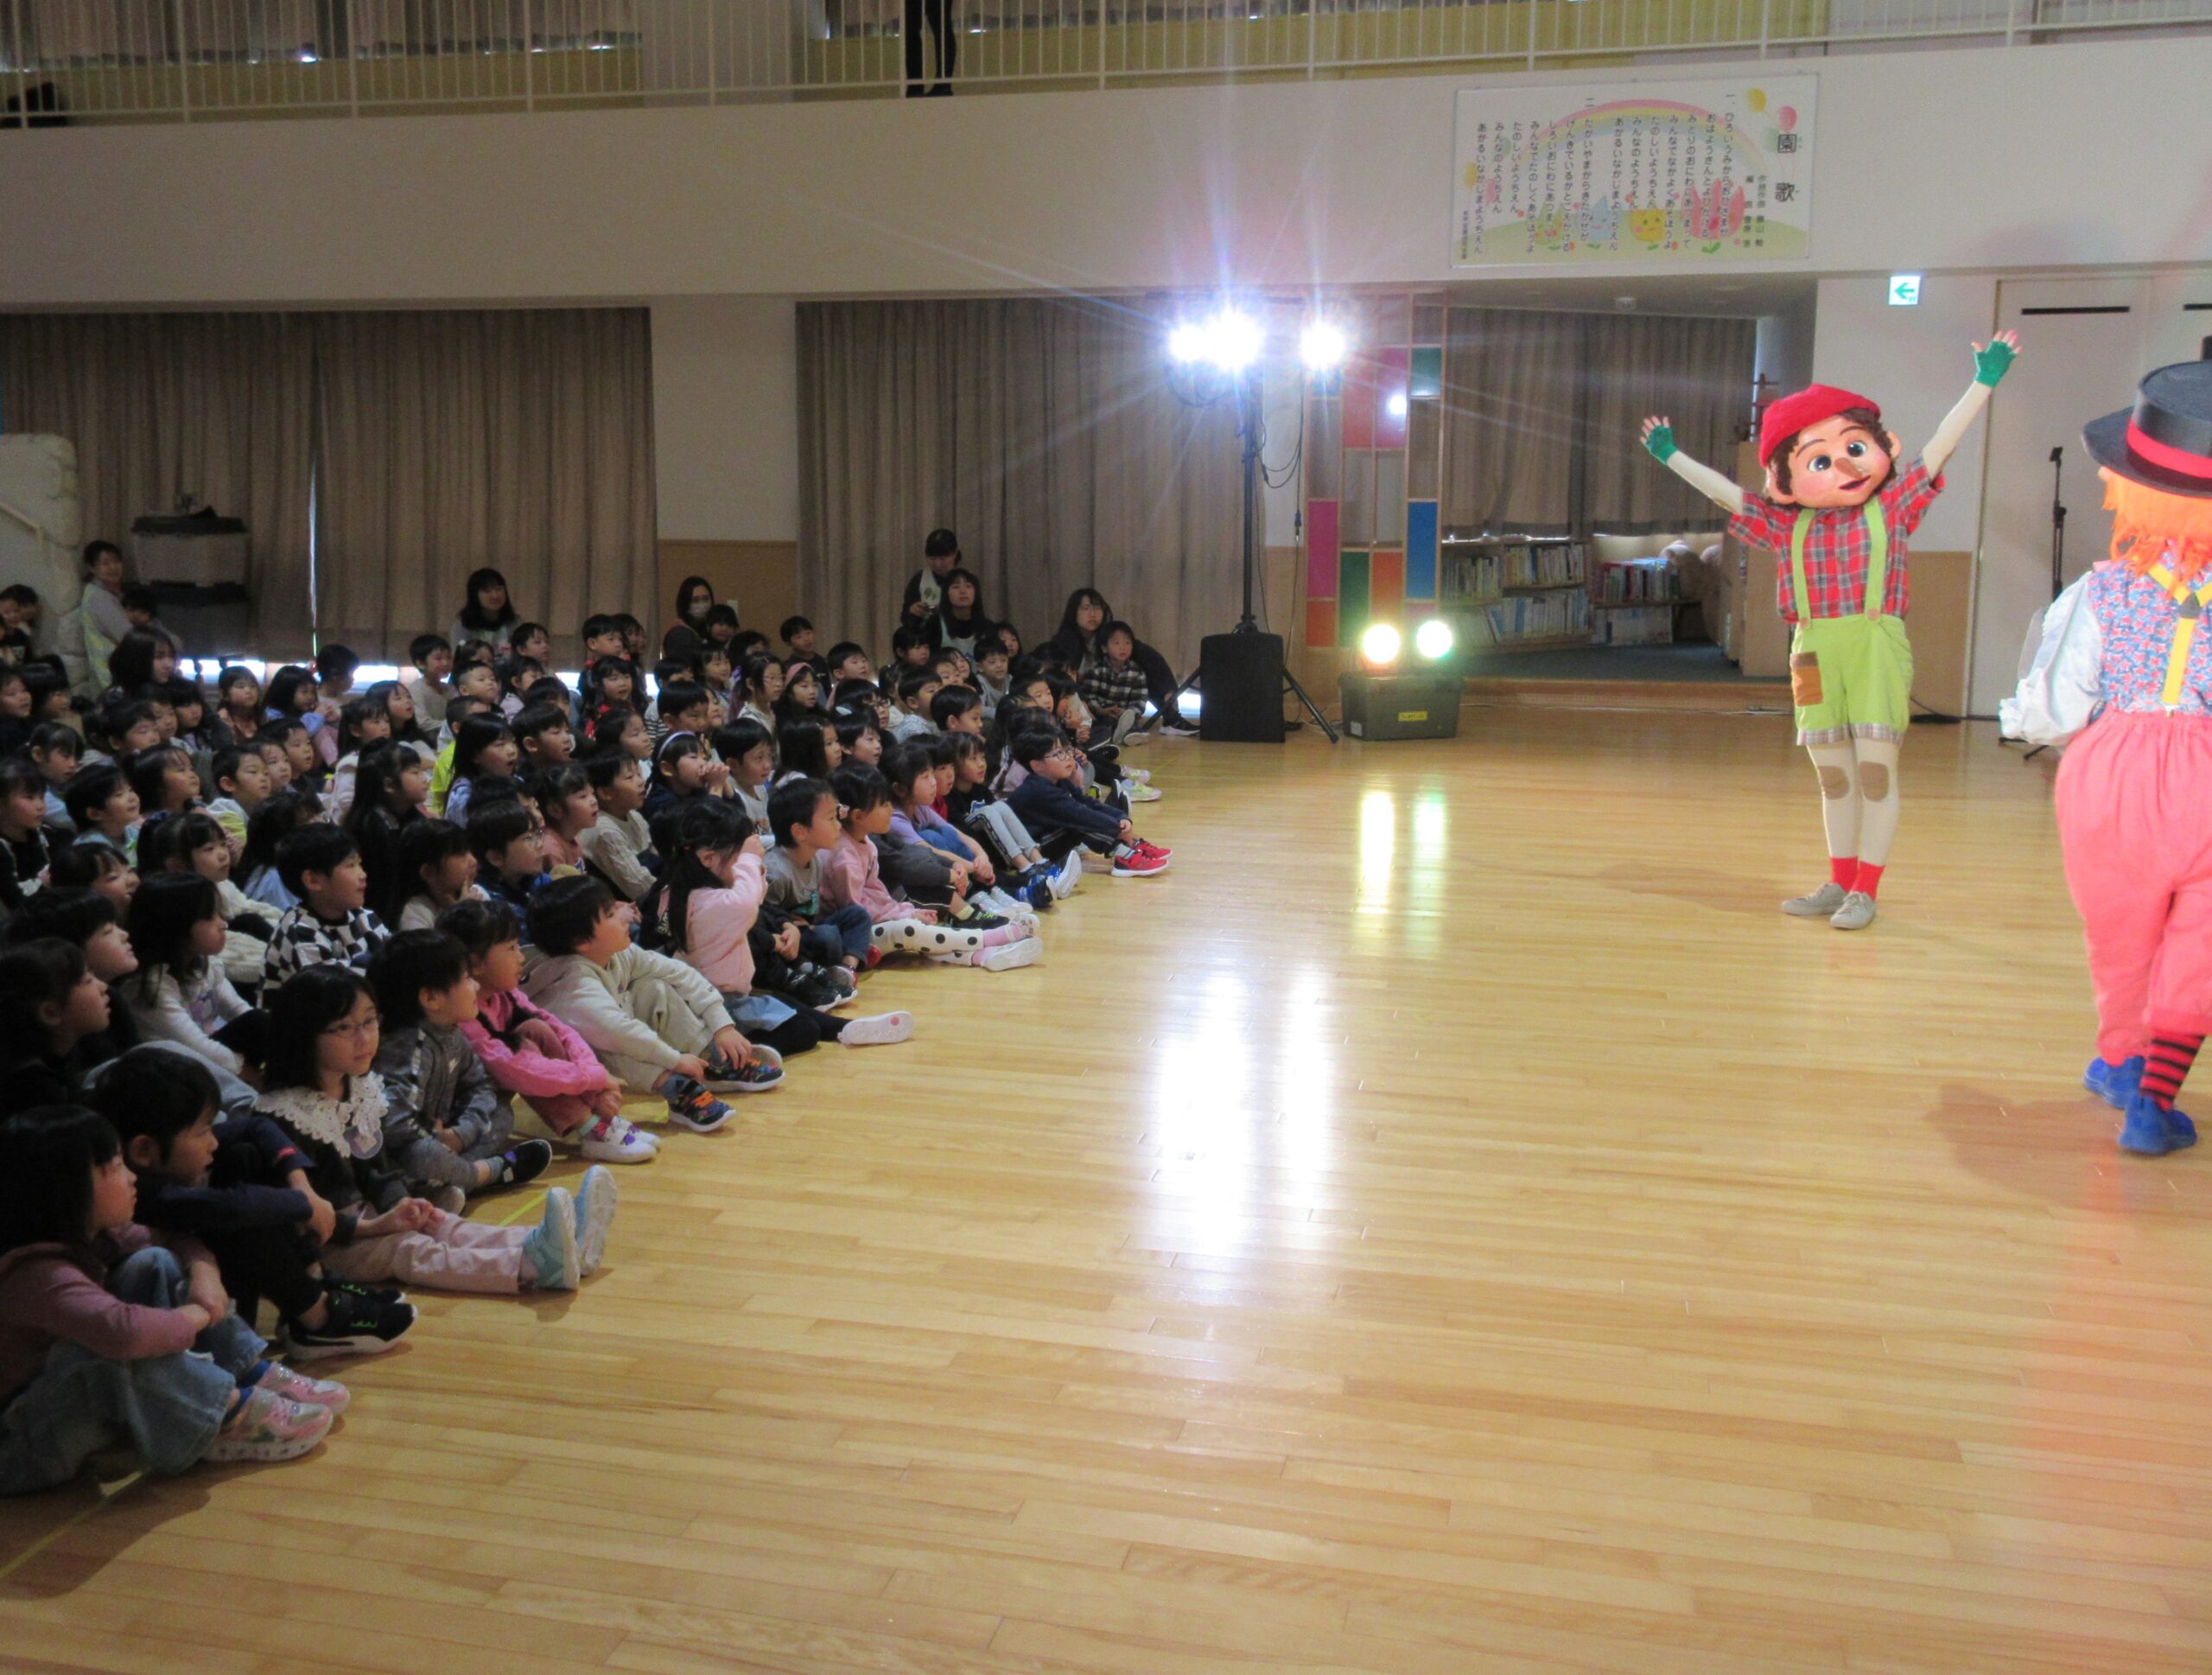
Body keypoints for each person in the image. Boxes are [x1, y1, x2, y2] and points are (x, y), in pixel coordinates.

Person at [1642, 330, 2020, 931]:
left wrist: (1983, 382)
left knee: (1875, 772)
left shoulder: (1892, 506)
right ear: (1784, 478)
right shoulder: (1782, 524)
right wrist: (1672, 456)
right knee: (1834, 776)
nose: (1843, 466)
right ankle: (1839, 881)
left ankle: (1866, 890)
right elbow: (1729, 495)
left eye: (1855, 448)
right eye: (1818, 460)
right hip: (1811, 652)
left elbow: (1940, 448)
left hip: (1874, 648)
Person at [2004, 360, 2212, 1156]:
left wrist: (2032, 726)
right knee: (2200, 947)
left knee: (2120, 934)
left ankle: (2122, 1062)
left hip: (2116, 774)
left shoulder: (2099, 592)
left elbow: (2054, 707)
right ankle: (2154, 1103)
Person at [0, 1103, 346, 1493]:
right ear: (65, 1191)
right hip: (17, 1449)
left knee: (153, 1262)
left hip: (52, 1408)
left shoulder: (92, 1234)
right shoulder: (37, 1275)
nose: (133, 1178)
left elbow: (170, 1237)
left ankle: (246, 1372)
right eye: (116, 1167)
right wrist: (198, 1314)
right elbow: (126, 1334)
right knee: (107, 1356)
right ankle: (223, 1414)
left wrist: (203, 1272)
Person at [253, 965, 599, 1296]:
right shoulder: (285, 1115)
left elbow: (376, 1168)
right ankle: (530, 1266)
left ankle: (557, 1243)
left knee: (438, 1222)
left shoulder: (360, 1091)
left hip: (371, 1217)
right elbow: (303, 1220)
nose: (365, 1038)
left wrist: (400, 1204)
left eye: (370, 1021)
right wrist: (378, 1226)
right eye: (345, 1027)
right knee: (408, 1248)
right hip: (326, 1245)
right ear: (303, 1033)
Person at [87, 1052, 414, 1361]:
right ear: (144, 1150)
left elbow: (257, 1128)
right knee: (237, 1212)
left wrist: (301, 1185)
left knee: (243, 1155)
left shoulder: (156, 1161)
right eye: (203, 1131)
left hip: (217, 1292)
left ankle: (313, 1284)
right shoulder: (142, 1194)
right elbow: (233, 1207)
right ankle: (317, 1317)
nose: (213, 1141)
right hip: (184, 1318)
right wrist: (302, 1204)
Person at [647, 799, 913, 1059]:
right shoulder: (712, 902)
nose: (744, 866)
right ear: (708, 858)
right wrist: (750, 859)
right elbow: (747, 902)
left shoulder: (689, 892)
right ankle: (720, 1052)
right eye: (738, 858)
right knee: (803, 1031)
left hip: (727, 997)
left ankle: (845, 1028)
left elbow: (756, 896)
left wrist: (749, 861)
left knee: (784, 1003)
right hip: (714, 1009)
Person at [522, 876, 782, 1131]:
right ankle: (677, 1089)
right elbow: (619, 1033)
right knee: (616, 1041)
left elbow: (678, 972)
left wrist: (722, 1026)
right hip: (576, 1062)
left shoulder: (617, 953)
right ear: (582, 942)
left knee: (654, 987)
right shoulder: (574, 985)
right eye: (611, 914)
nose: (624, 916)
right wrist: (675, 1060)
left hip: (613, 1031)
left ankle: (713, 1062)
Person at [442, 899, 656, 1166]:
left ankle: (601, 1121)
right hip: (464, 1110)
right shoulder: (465, 1016)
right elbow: (519, 1070)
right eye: (511, 948)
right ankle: (590, 1128)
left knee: (535, 1028)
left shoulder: (505, 993)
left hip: (501, 1083)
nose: (521, 957)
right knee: (520, 1062)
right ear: (475, 963)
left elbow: (559, 1029)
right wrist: (592, 1079)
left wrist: (595, 1079)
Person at [366, 930, 550, 1210]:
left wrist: (463, 1133)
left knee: (502, 1112)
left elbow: (481, 1084)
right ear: (431, 998)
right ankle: (487, 1173)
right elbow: (395, 1128)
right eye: (466, 979)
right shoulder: (408, 1047)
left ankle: (448, 1184)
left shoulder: (452, 1033)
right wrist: (437, 1139)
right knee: (422, 1155)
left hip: (447, 1136)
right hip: (407, 1152)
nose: (475, 986)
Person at [821, 765, 1041, 971]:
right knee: (910, 930)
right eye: (884, 805)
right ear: (858, 816)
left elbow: (876, 892)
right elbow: (857, 912)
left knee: (920, 931)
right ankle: (991, 938)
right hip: (854, 936)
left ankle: (984, 955)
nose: (890, 810)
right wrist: (903, 915)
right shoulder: (845, 859)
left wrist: (906, 911)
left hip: (876, 920)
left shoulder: (866, 842)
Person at [120, 873, 266, 1078]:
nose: (223, 923)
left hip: (211, 1055)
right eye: (210, 916)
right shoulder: (151, 987)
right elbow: (199, 1049)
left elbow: (239, 1011)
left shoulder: (204, 962)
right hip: (174, 1073)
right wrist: (253, 1075)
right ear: (176, 926)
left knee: (260, 1021)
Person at [1003, 727, 1169, 876]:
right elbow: (1080, 814)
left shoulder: (1058, 781)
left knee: (1081, 817)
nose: (1068, 757)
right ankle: (1125, 855)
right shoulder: (1038, 790)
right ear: (1037, 765)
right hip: (1030, 852)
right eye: (1058, 754)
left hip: (1047, 840)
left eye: (1067, 750)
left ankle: (1130, 846)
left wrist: (1120, 817)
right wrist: (1116, 827)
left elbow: (1087, 802)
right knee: (1077, 824)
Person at [764, 777, 877, 978]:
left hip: (811, 929)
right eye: (831, 819)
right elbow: (763, 920)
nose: (839, 825)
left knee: (858, 915)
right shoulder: (776, 872)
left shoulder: (815, 859)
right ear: (800, 832)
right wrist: (792, 926)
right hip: (788, 941)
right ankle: (842, 958)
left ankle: (847, 969)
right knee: (827, 937)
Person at [262, 825, 391, 989]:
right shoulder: (300, 932)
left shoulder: (365, 917)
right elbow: (339, 992)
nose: (363, 874)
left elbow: (395, 961)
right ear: (313, 880)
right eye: (350, 865)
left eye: (359, 863)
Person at [579, 751, 658, 904]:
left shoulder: (634, 815)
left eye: (639, 774)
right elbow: (640, 888)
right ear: (605, 792)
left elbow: (657, 853)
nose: (641, 782)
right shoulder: (604, 831)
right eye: (630, 777)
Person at [392, 817, 485, 933]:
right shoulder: (415, 914)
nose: (473, 861)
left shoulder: (477, 894)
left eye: (469, 851)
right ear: (428, 872)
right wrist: (460, 918)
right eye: (460, 854)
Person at [77, 540, 132, 691]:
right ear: (91, 568)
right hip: (114, 675)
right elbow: (127, 635)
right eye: (105, 563)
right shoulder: (99, 597)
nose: (113, 567)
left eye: (116, 561)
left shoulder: (104, 593)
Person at [450, 566, 521, 651]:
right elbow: (459, 656)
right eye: (487, 591)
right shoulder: (462, 628)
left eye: (499, 589)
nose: (495, 596)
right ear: (475, 595)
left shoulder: (516, 624)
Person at [931, 569, 992, 658]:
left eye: (968, 586)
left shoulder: (987, 627)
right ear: (946, 593)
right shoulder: (934, 625)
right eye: (956, 587)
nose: (963, 591)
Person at [664, 576, 717, 666]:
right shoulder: (679, 635)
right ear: (685, 604)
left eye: (706, 599)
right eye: (695, 601)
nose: (702, 605)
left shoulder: (709, 631)